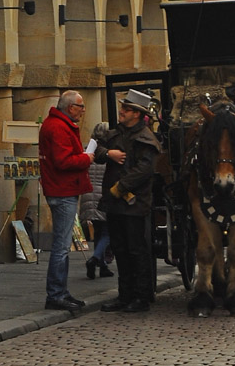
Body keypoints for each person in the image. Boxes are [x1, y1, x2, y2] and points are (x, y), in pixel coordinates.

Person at [96, 89, 160, 313]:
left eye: (126, 109)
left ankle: (141, 297)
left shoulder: (145, 138)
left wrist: (121, 187)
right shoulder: (116, 134)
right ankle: (125, 295)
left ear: (137, 114)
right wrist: (108, 154)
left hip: (135, 204)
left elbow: (145, 169)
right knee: (120, 250)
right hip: (115, 204)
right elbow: (96, 149)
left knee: (136, 250)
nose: (121, 111)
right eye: (122, 108)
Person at [37, 90, 93, 311]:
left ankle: (61, 291)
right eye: (81, 106)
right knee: (61, 246)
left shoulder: (57, 124)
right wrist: (86, 158)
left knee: (63, 244)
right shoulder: (58, 127)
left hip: (63, 189)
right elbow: (63, 161)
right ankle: (56, 294)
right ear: (71, 108)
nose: (83, 111)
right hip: (62, 191)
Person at [79, 122, 114, 280]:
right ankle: (94, 260)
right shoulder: (107, 153)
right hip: (103, 195)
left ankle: (103, 266)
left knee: (99, 231)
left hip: (88, 193)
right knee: (107, 231)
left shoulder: (88, 149)